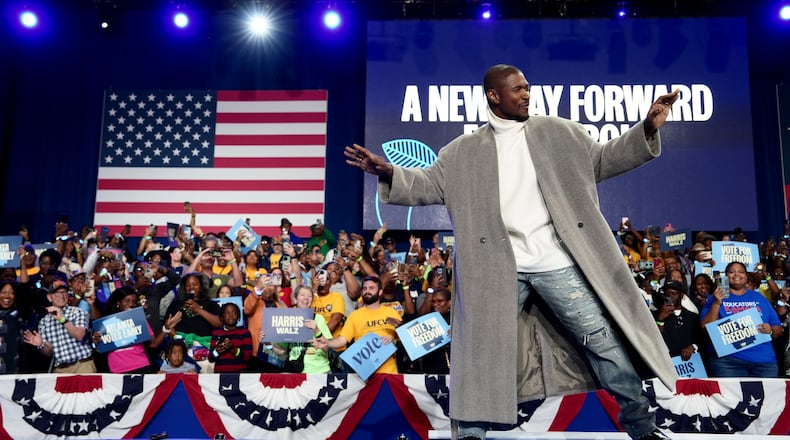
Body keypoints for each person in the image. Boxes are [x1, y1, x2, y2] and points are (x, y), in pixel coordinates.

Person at [344, 64, 679, 440]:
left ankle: (643, 427)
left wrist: (646, 128)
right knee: (480, 352)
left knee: (602, 341)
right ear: (494, 95)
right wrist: (388, 172)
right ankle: (470, 434)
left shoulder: (560, 132)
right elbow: (427, 184)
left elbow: (602, 159)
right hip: (497, 268)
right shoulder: (462, 152)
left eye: (527, 88)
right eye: (518, 89)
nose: (526, 94)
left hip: (556, 261)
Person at [700, 261, 782, 377]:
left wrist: (771, 331)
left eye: (741, 272)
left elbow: (777, 327)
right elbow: (705, 328)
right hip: (727, 363)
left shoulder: (759, 298)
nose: (736, 274)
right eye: (731, 272)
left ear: (746, 276)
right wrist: (717, 303)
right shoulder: (715, 298)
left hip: (763, 362)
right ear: (726, 276)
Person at [313, 276, 401, 374]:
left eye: (371, 288)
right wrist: (328, 343)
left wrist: (393, 339)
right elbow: (342, 340)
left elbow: (404, 339)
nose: (367, 291)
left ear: (380, 292)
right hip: (364, 374)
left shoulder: (392, 312)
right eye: (364, 288)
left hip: (389, 372)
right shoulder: (354, 316)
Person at [22, 281, 96, 373]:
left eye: (64, 292)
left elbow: (80, 335)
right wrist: (41, 344)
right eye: (57, 293)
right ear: (49, 297)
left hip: (83, 365)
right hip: (60, 370)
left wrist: (62, 319)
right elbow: (49, 353)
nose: (62, 295)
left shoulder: (78, 312)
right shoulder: (44, 322)